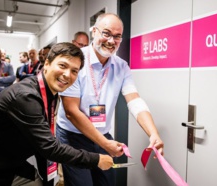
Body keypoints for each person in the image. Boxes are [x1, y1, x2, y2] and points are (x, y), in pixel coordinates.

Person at [56, 13, 164, 186]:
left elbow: (134, 100)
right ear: (94, 32)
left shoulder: (121, 66)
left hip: (102, 133)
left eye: (117, 36)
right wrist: (105, 143)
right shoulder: (75, 61)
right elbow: (71, 112)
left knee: (107, 182)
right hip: (73, 135)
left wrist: (153, 133)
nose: (111, 41)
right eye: (106, 33)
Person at [0, 42, 114, 186]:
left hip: (16, 161)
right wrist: (97, 159)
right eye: (62, 66)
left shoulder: (51, 92)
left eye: (74, 71)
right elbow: (49, 147)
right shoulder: (26, 96)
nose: (67, 75)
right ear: (47, 63)